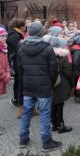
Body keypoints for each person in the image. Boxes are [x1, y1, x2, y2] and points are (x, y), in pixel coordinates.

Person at [17, 22, 62, 152]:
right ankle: (46, 141)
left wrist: (24, 82)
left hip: (28, 86)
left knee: (26, 113)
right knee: (44, 115)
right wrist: (51, 84)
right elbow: (54, 70)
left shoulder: (21, 48)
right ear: (41, 33)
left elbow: (19, 70)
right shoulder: (47, 49)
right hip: (43, 87)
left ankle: (23, 138)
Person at [43, 34, 73, 133]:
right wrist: (71, 82)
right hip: (60, 82)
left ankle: (54, 124)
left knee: (52, 103)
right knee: (59, 103)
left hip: (49, 82)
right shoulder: (62, 57)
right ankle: (60, 125)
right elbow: (68, 71)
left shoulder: (46, 55)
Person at [7, 18, 25, 107]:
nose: (25, 29)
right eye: (24, 27)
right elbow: (19, 48)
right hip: (15, 60)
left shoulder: (15, 34)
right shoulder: (14, 36)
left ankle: (18, 98)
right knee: (18, 80)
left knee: (18, 80)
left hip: (17, 59)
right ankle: (16, 99)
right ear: (21, 27)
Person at [0, 27, 11, 135]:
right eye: (2, 36)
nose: (4, 38)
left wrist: (8, 73)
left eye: (5, 36)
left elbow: (7, 64)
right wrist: (5, 77)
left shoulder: (4, 48)